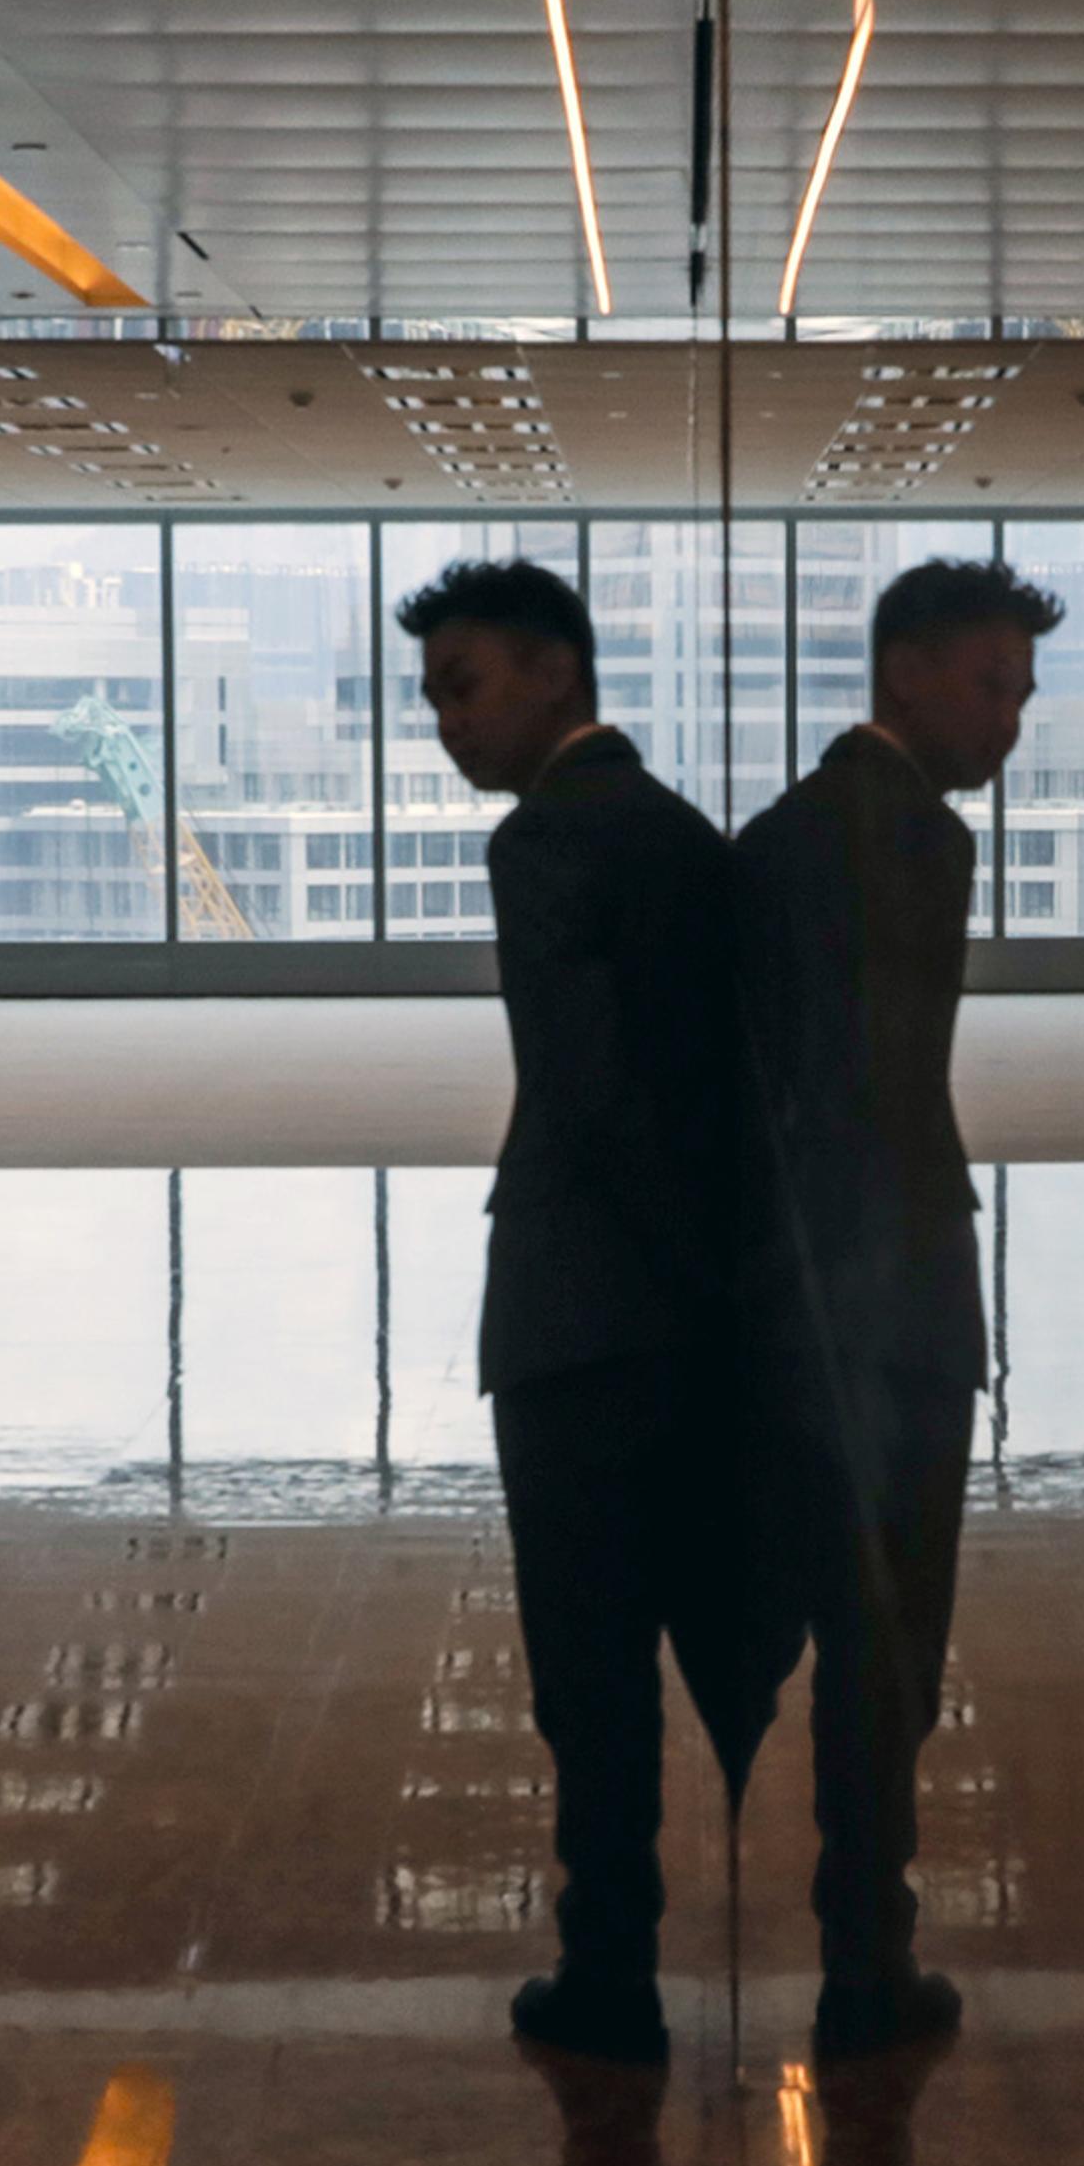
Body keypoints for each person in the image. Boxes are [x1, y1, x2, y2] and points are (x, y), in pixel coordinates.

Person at [399, 554, 781, 2065]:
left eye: (463, 687)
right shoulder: (679, 827)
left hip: (584, 1313)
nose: (446, 725)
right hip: (693, 1308)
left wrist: (651, 1269)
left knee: (590, 1662)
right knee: (682, 1633)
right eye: (435, 700)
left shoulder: (549, 841)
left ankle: (607, 1970)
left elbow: (584, 1089)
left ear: (558, 671)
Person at [734, 556, 1060, 2060]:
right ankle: (868, 1954)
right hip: (883, 1303)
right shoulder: (899, 839)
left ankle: (862, 1932)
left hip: (827, 1295)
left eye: (1022, 690)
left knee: (857, 1634)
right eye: (993, 684)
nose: (1014, 718)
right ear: (907, 674)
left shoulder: (798, 831)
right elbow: (865, 1093)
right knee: (887, 1640)